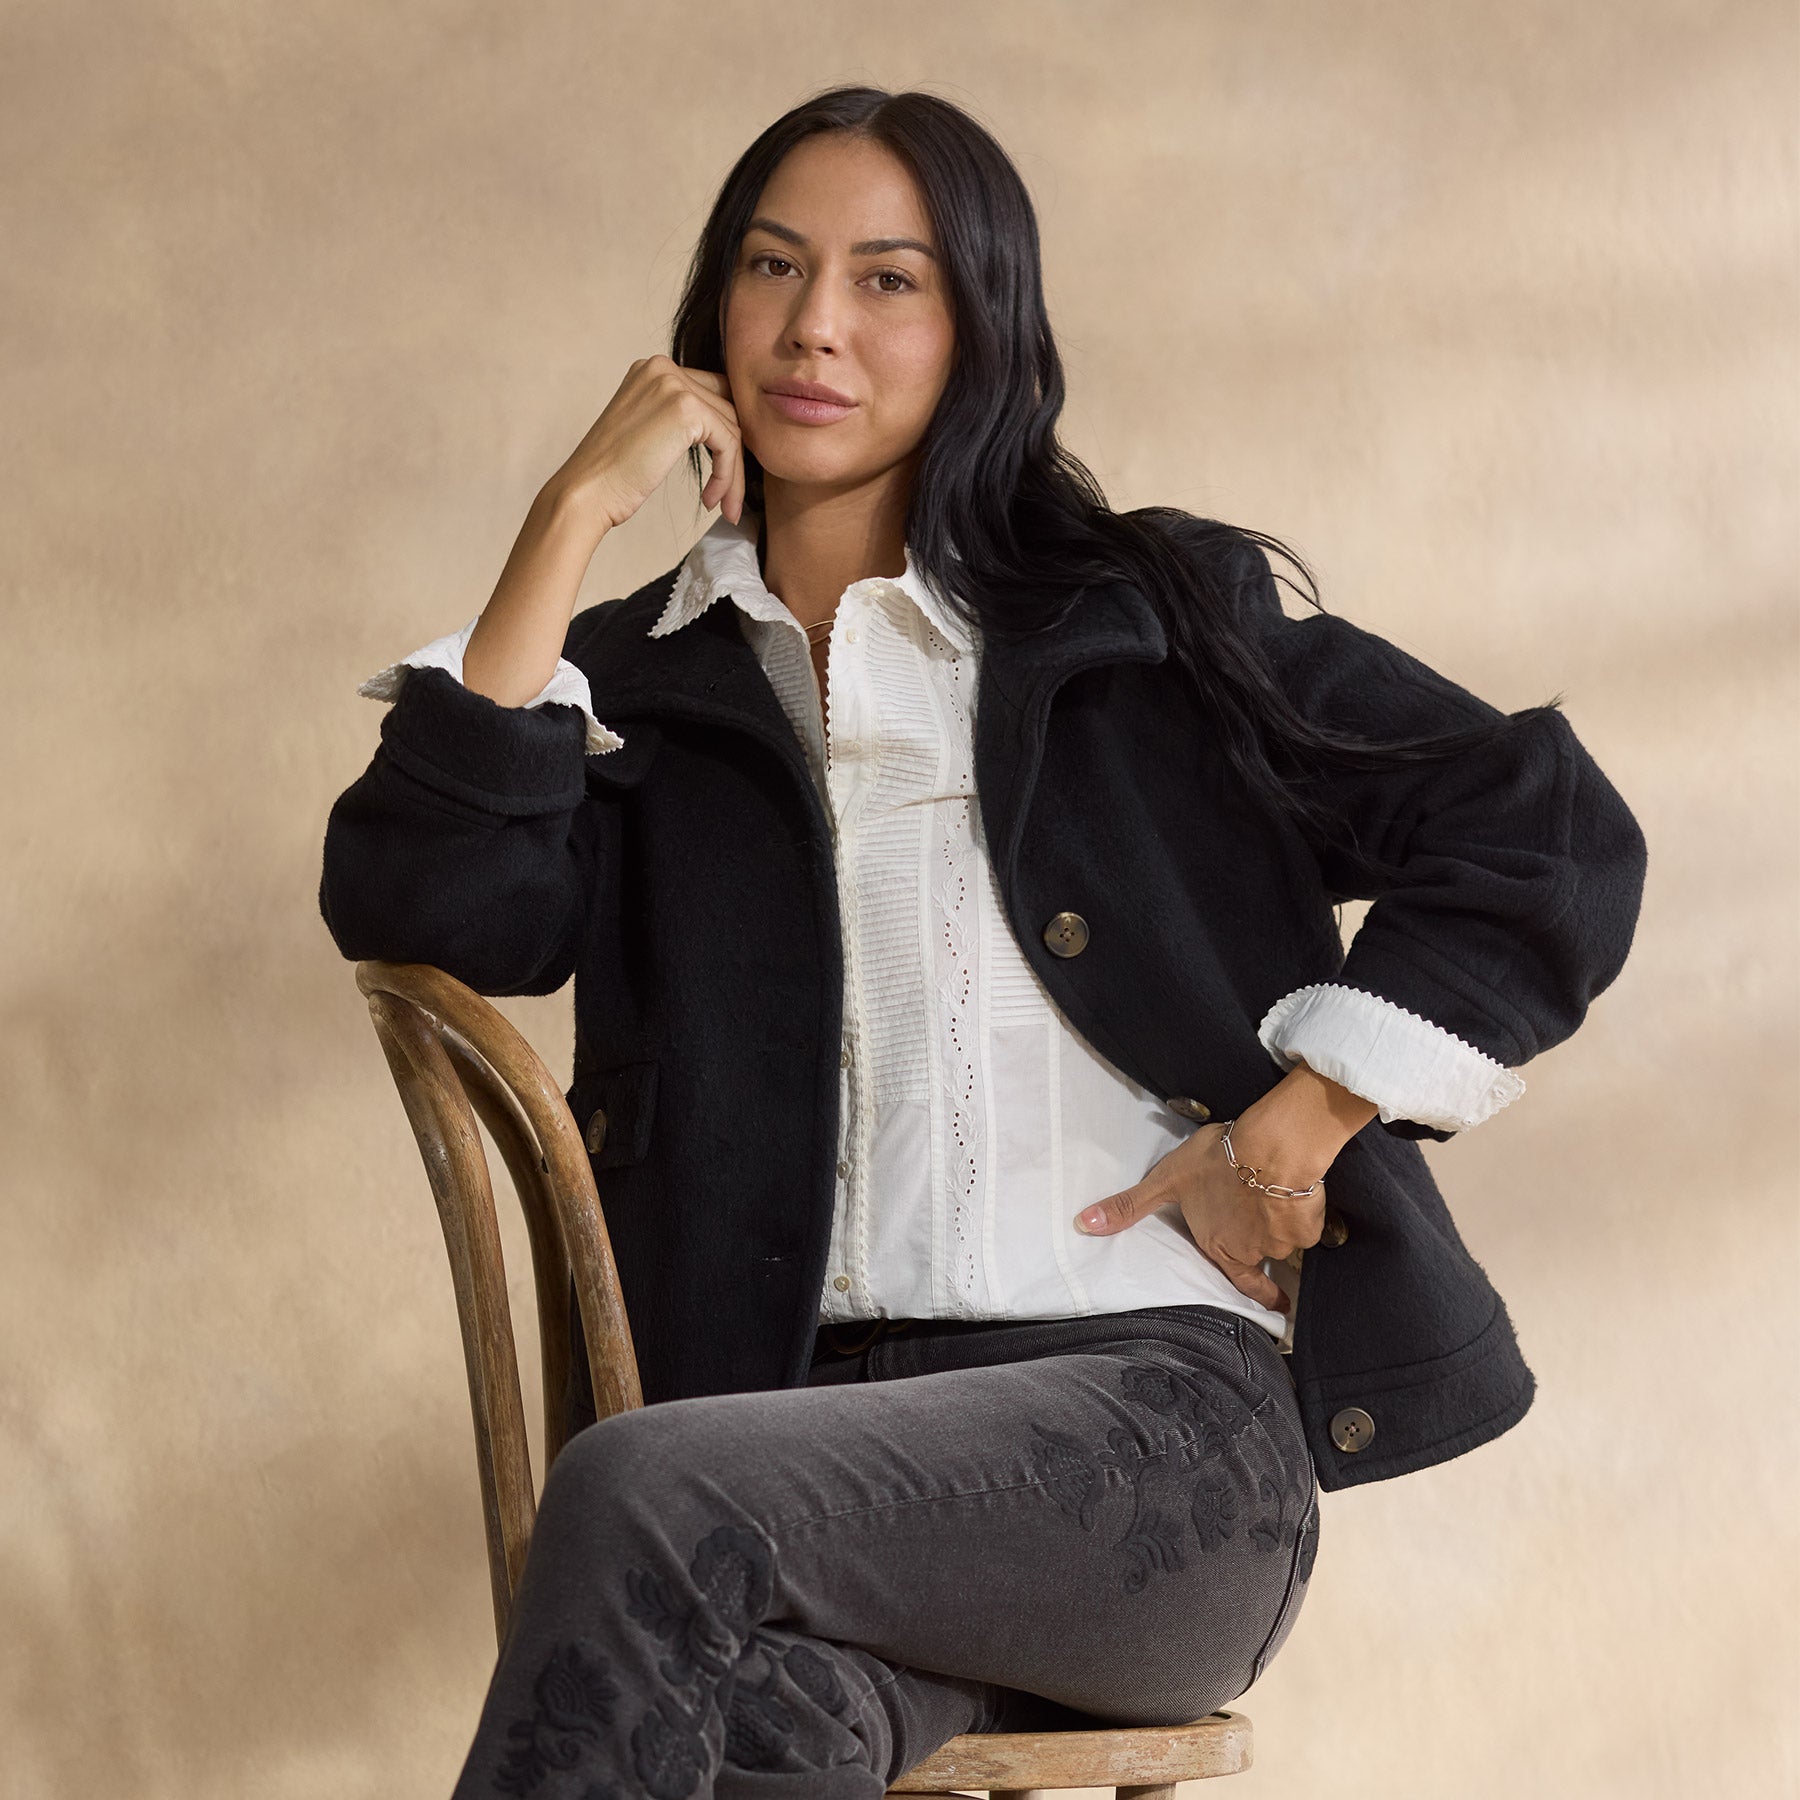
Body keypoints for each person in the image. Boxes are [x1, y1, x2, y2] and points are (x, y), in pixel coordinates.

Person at [319, 86, 1647, 1800]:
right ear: (711, 311)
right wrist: (570, 514)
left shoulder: (1147, 629)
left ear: (981, 333)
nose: (814, 326)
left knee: (645, 1491)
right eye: (773, 267)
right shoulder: (633, 688)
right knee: (758, 1732)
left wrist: (1303, 1118)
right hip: (792, 1461)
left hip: (1157, 1452)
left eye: (890, 281)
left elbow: (1546, 827)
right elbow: (428, 911)